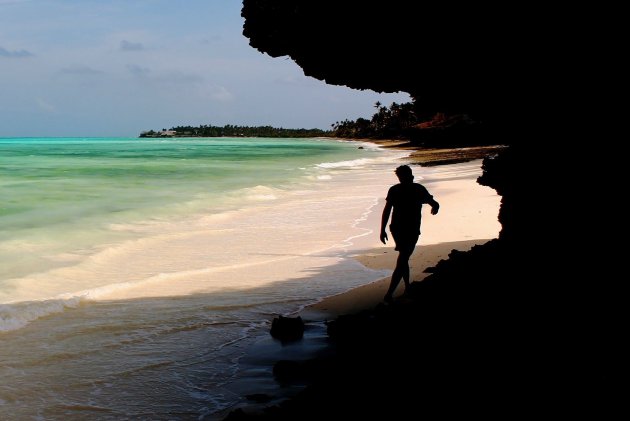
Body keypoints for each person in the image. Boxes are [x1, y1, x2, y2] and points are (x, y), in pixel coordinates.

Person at [380, 164, 440, 302]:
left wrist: (382, 229)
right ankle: (390, 294)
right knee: (403, 258)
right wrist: (435, 208)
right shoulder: (418, 189)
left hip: (397, 228)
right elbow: (434, 203)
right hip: (409, 229)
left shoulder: (395, 190)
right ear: (411, 176)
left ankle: (406, 288)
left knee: (403, 257)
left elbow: (387, 210)